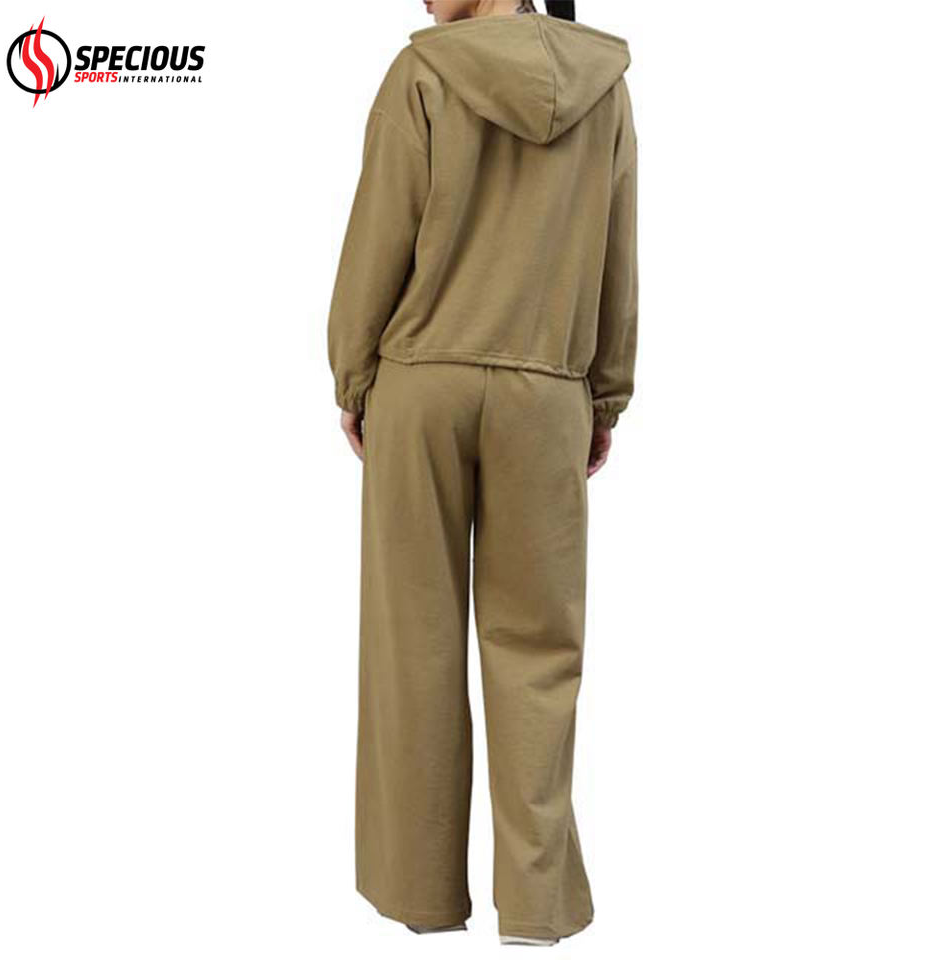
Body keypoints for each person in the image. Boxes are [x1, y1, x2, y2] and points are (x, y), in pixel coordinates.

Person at [327, 0, 637, 946]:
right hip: (547, 391)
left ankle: (420, 898)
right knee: (539, 651)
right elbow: (618, 247)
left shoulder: (422, 75)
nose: (418, 0)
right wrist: (603, 394)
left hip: (422, 386)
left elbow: (378, 239)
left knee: (413, 646)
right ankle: (536, 911)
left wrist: (353, 377)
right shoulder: (604, 88)